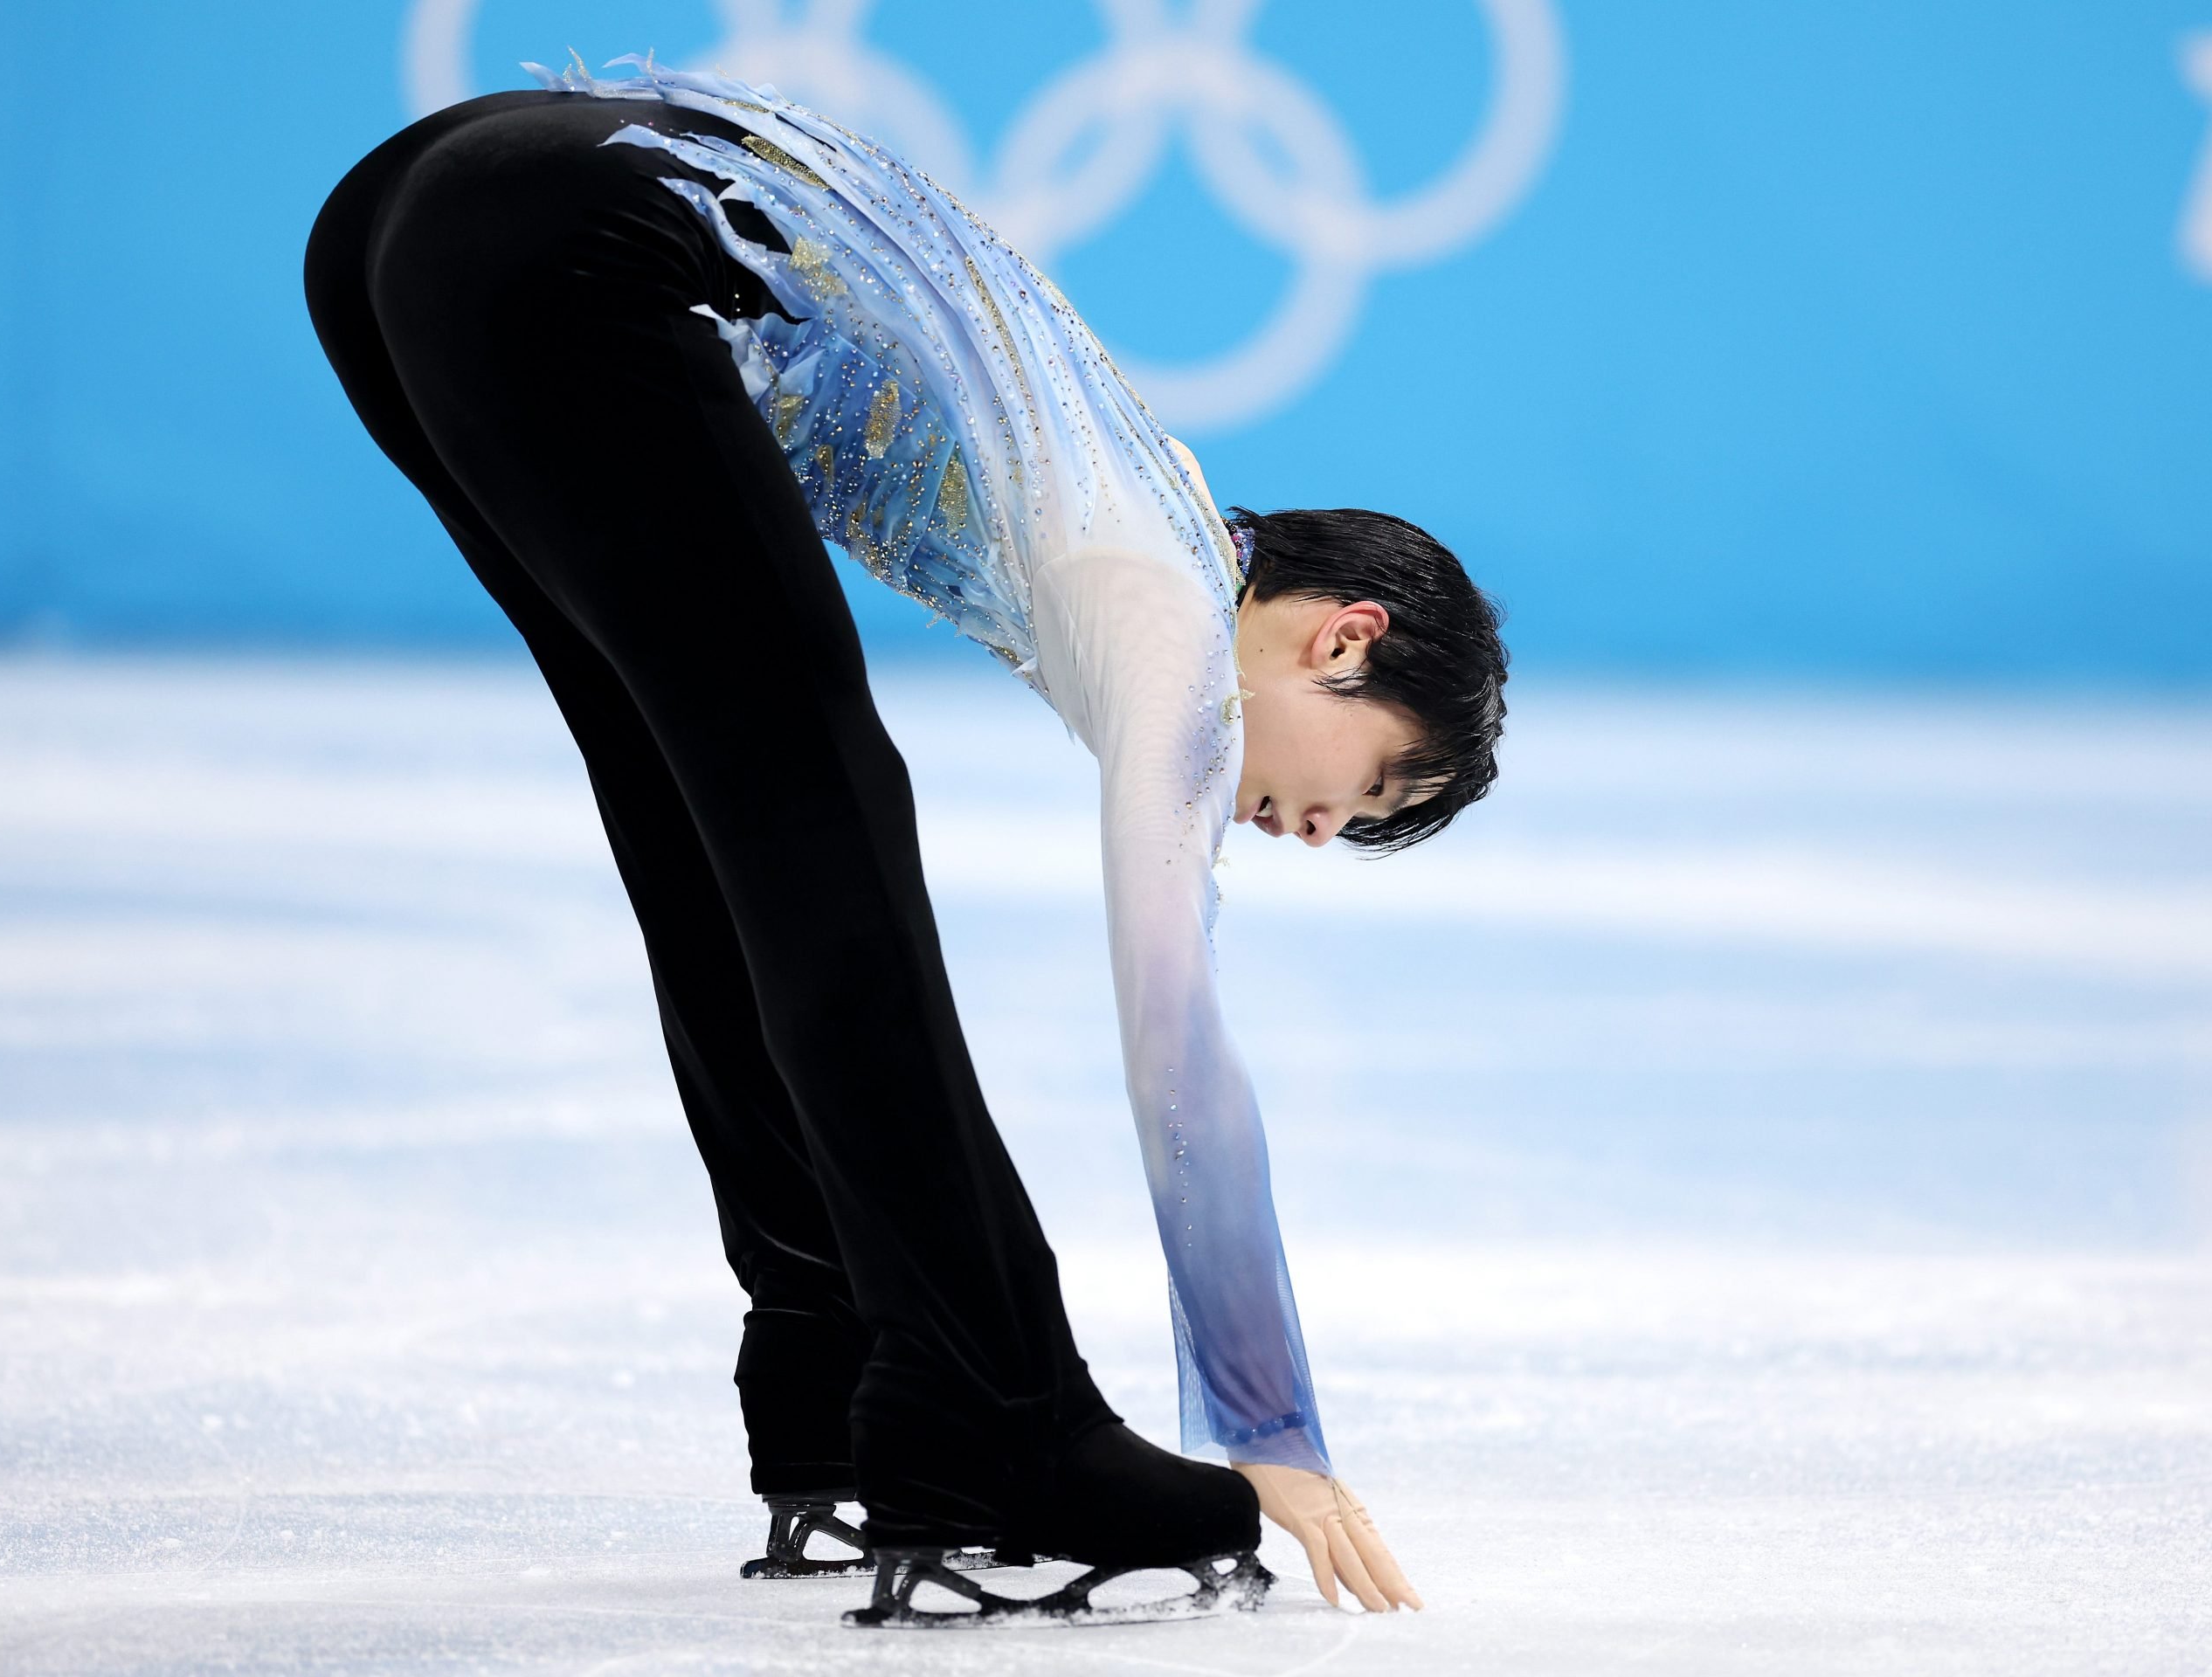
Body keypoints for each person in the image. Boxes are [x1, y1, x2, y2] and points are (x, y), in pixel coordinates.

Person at [304, 54, 1503, 1624]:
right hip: (573, 241)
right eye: (1375, 791)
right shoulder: (1166, 626)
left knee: (699, 810)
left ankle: (835, 1353)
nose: (1319, 830)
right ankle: (990, 1420)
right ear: (1347, 642)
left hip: (422, 210)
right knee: (821, 822)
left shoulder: (1174, 497)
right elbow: (1181, 1048)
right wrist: (1267, 1426)